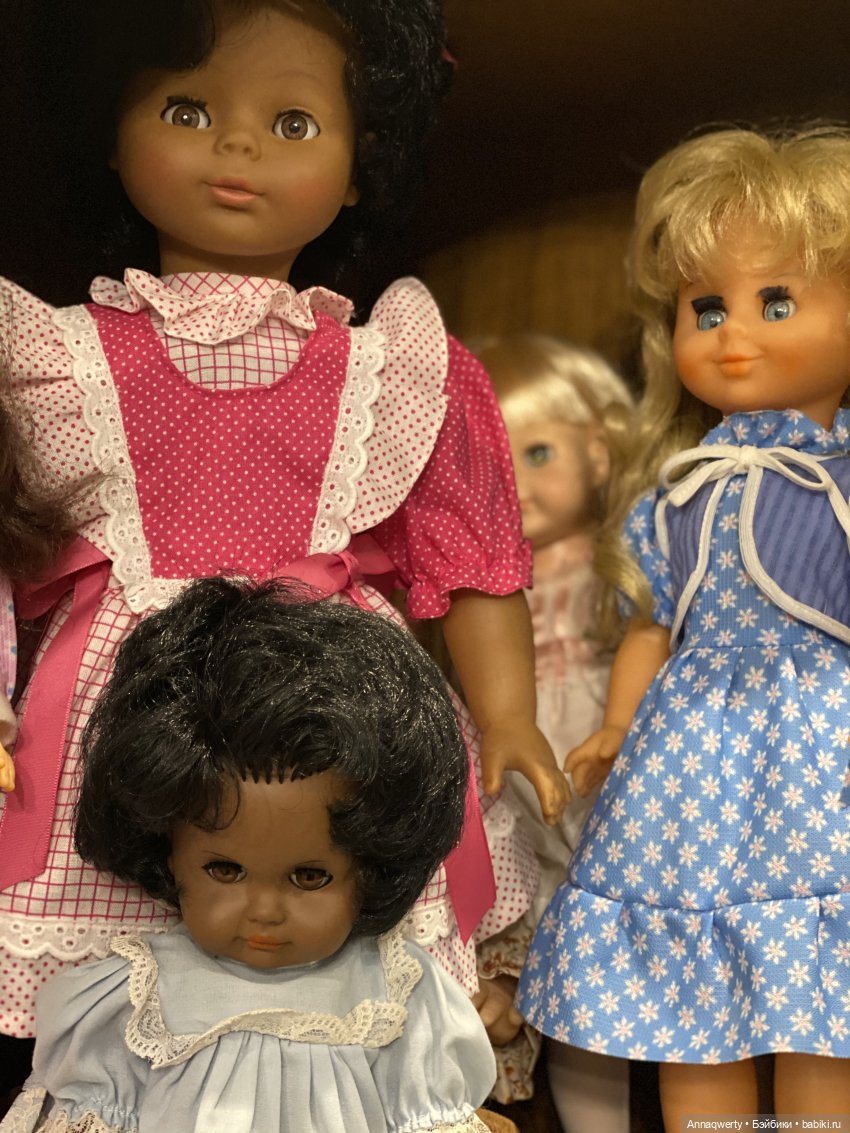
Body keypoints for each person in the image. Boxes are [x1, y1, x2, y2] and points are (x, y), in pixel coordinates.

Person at [0, 0, 566, 1046]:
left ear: (359, 167)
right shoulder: (51, 359)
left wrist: (507, 713)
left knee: (337, 945)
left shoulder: (393, 370)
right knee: (115, 994)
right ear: (112, 135)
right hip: (115, 704)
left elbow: (472, 563)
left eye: (293, 123)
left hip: (331, 692)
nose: (238, 146)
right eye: (186, 109)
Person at [516, 125, 850, 1128]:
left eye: (776, 302)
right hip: (693, 765)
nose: (733, 333)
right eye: (707, 308)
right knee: (692, 996)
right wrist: (617, 725)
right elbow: (651, 626)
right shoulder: (676, 492)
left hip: (823, 756)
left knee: (820, 997)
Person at [0, 576, 500, 1132]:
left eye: (309, 876)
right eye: (225, 870)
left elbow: (427, 1117)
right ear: (168, 853)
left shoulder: (394, 992)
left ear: (371, 865)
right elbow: (98, 1115)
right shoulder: (138, 993)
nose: (264, 910)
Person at [474, 335, 632, 1130]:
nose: (520, 483)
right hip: (526, 808)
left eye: (539, 453)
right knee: (576, 981)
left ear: (598, 452)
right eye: (495, 464)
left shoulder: (621, 562)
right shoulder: (483, 586)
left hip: (617, 784)